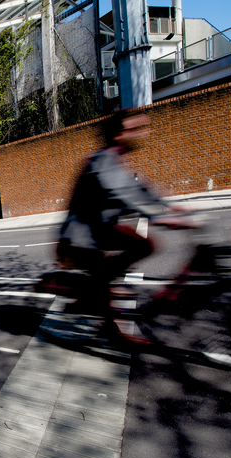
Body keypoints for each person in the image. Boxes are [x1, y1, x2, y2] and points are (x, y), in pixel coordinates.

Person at [50, 110, 192, 339]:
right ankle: (110, 326)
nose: (143, 133)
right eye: (135, 129)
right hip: (81, 238)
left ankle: (96, 288)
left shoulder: (117, 160)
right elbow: (124, 192)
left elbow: (141, 190)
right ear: (118, 134)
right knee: (139, 248)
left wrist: (173, 207)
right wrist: (160, 217)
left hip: (99, 230)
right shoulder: (102, 161)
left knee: (144, 244)